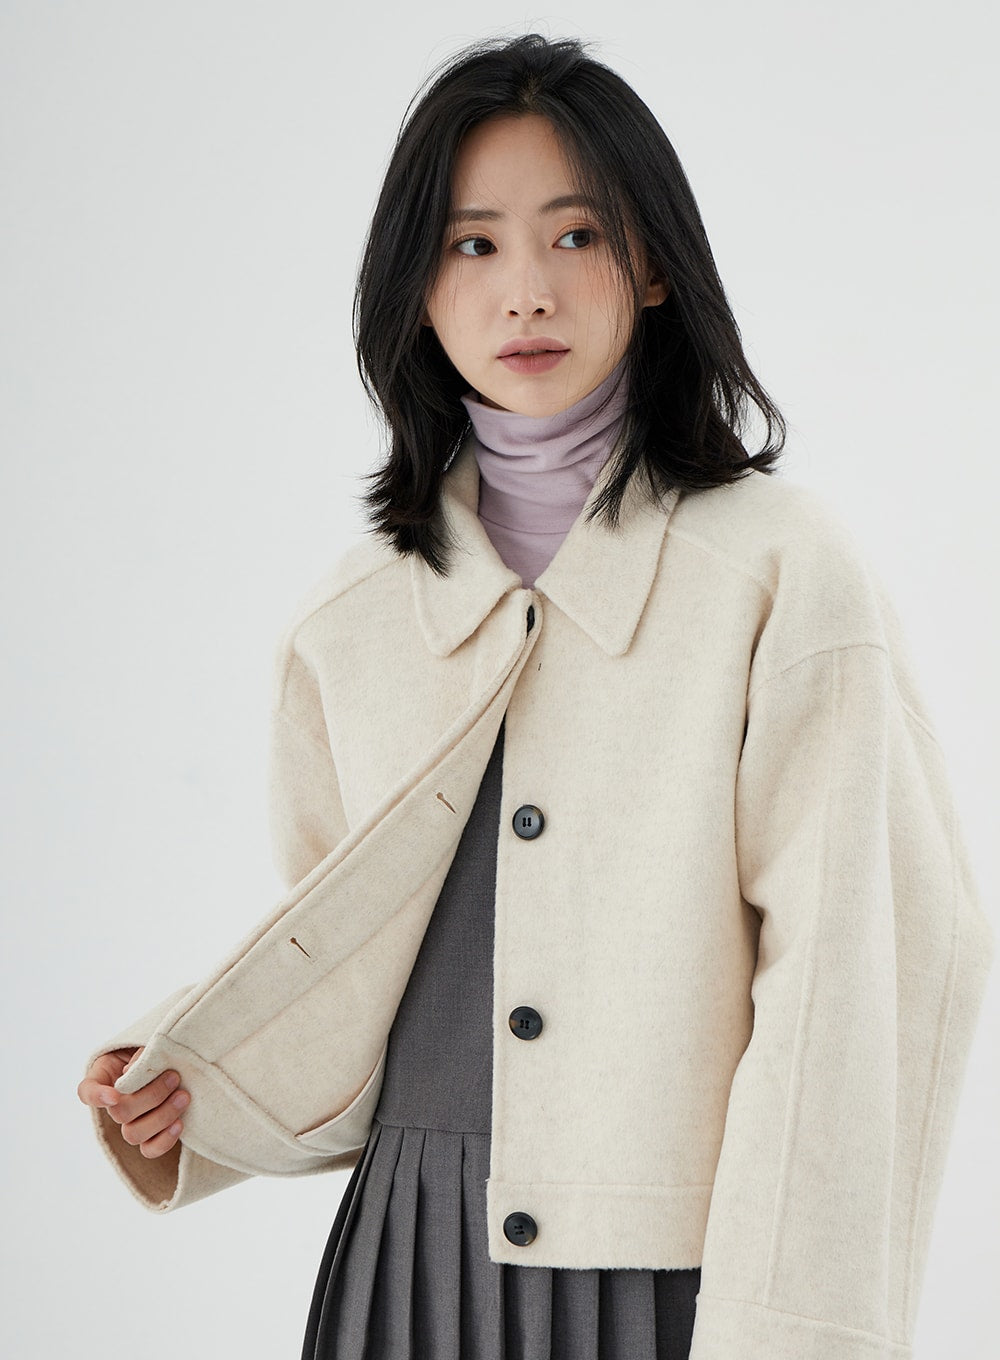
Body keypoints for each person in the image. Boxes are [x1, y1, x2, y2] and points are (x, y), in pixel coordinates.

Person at [77, 31, 995, 1360]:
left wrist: (792, 1330)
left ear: (655, 266)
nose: (527, 293)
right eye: (474, 244)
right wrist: (197, 1084)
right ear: (417, 287)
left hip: (673, 1273)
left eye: (577, 236)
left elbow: (865, 975)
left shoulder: (779, 573)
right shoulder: (353, 619)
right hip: (408, 1255)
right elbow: (357, 981)